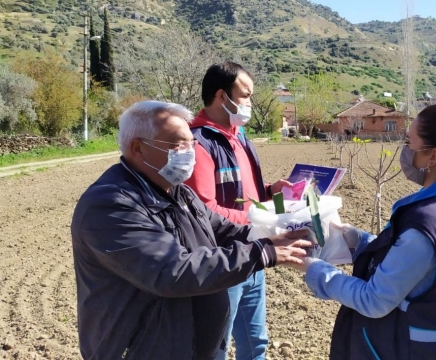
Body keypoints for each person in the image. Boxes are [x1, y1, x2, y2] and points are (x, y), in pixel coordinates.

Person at [70, 100, 310, 360]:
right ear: (138, 148)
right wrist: (262, 253)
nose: (189, 153)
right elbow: (171, 271)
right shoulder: (110, 205)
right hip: (142, 351)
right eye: (177, 145)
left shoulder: (178, 191)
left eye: (191, 144)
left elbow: (223, 230)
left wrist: (278, 232)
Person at [291, 103, 436, 360]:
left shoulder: (427, 224)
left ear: (432, 156)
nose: (405, 150)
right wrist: (360, 241)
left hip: (416, 349)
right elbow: (418, 267)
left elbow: (374, 300)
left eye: (409, 142)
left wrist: (313, 268)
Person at [185, 62, 290, 360]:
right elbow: (204, 209)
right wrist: (260, 218)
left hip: (254, 255)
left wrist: (269, 191)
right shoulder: (199, 142)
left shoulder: (239, 136)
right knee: (215, 348)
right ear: (222, 95)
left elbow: (241, 191)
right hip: (224, 262)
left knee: (255, 342)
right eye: (245, 95)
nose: (249, 103)